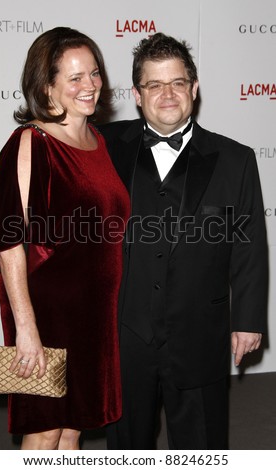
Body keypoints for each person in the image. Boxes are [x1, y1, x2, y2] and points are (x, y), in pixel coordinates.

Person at [99, 32, 268, 450]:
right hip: (125, 333)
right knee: (126, 446)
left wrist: (248, 318)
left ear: (194, 88)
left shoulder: (235, 159)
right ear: (138, 95)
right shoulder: (102, 145)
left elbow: (248, 245)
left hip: (200, 331)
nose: (167, 94)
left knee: (201, 445)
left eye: (176, 82)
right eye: (154, 85)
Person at [0, 26, 130, 450]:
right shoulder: (31, 142)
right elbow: (10, 241)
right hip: (46, 312)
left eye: (94, 73)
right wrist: (26, 327)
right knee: (45, 426)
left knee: (75, 426)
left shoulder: (98, 141)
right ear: (47, 85)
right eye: (75, 77)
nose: (89, 85)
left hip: (95, 315)